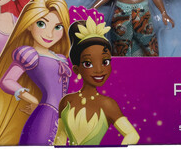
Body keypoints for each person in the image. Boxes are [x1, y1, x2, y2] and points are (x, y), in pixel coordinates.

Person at [0, 0, 71, 146]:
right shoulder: (29, 54)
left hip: (63, 117)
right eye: (41, 24)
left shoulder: (60, 57)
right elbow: (7, 81)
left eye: (58, 27)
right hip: (46, 115)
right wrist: (32, 99)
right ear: (29, 24)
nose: (50, 34)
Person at [55, 17, 140, 145]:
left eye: (105, 62)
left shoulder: (107, 104)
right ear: (77, 69)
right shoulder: (67, 101)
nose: (99, 70)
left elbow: (132, 135)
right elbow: (60, 137)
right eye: (88, 64)